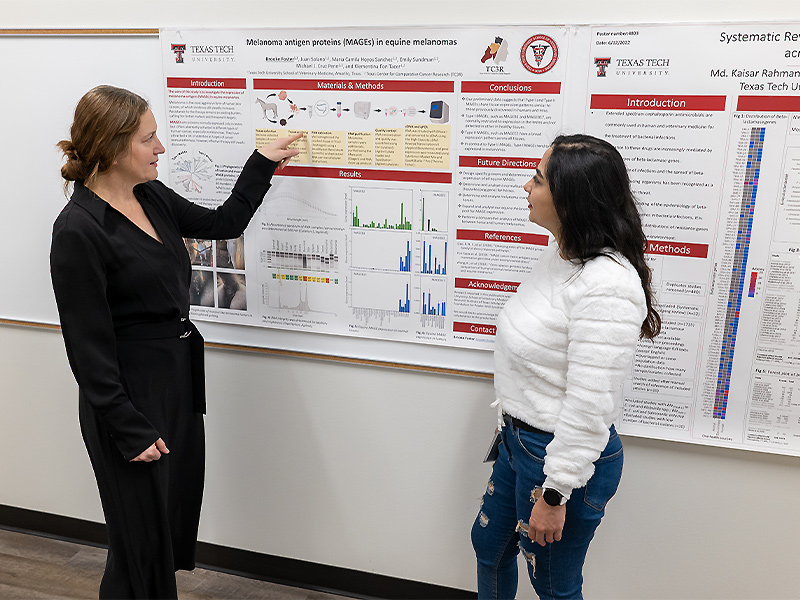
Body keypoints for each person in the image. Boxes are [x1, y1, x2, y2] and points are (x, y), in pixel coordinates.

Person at [50, 85, 301, 599]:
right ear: (113, 146)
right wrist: (128, 428)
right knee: (139, 540)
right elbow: (87, 347)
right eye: (148, 138)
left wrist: (261, 162)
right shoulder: (79, 230)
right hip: (128, 397)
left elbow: (221, 224)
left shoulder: (151, 196)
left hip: (176, 382)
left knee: (160, 531)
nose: (160, 148)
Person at [471, 134, 661, 600]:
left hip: (558, 459)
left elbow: (590, 404)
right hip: (520, 440)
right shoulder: (563, 254)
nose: (525, 187)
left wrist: (556, 495)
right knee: (489, 545)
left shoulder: (608, 286)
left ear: (571, 199)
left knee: (553, 584)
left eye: (537, 179)